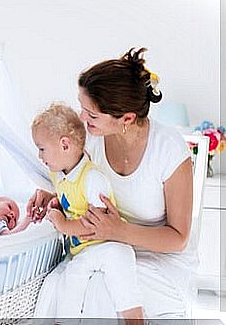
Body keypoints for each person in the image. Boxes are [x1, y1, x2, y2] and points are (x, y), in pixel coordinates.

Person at [28, 48, 193, 319]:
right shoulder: (91, 141)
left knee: (98, 292)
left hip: (157, 258)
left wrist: (119, 231)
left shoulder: (169, 150)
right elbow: (79, 184)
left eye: (91, 115)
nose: (82, 120)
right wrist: (56, 197)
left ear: (126, 119)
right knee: (56, 285)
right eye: (82, 109)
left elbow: (178, 239)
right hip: (102, 246)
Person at [31, 102, 143, 321]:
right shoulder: (59, 175)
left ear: (65, 145)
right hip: (85, 251)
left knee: (124, 287)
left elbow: (97, 222)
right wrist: (54, 202)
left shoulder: (92, 178)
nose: (39, 155)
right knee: (69, 284)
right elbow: (71, 202)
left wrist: (63, 225)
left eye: (42, 148)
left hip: (109, 245)